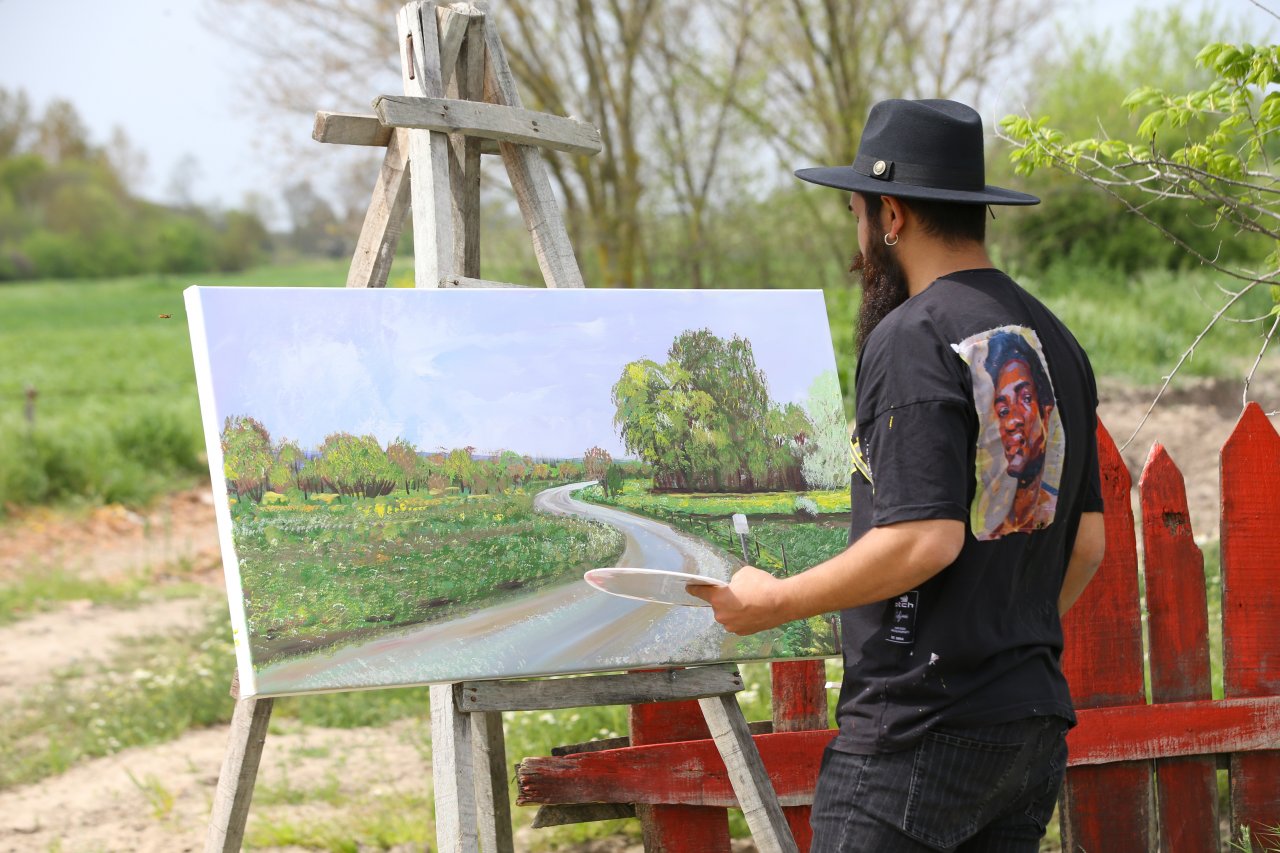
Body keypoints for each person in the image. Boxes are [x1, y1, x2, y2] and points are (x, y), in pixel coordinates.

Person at [687, 99, 1106, 852]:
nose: (857, 238)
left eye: (855, 213)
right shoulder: (1055, 341)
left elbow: (926, 538)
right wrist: (1002, 635)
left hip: (916, 732)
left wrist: (772, 600)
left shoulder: (912, 337)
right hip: (1028, 728)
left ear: (889, 215)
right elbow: (1087, 543)